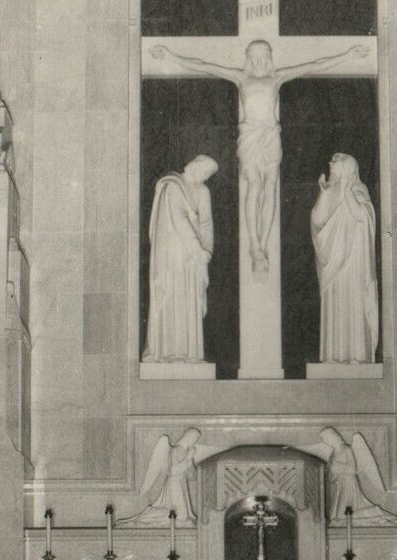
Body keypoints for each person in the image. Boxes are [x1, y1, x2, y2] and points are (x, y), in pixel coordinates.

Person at [152, 39, 366, 272]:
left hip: (271, 136)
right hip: (250, 137)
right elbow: (203, 65)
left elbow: (314, 65)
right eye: (255, 57)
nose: (259, 61)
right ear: (249, 58)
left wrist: (348, 56)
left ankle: (264, 244)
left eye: (263, 56)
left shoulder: (276, 78)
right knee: (254, 186)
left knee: (271, 187)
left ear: (269, 57)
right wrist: (170, 57)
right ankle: (254, 245)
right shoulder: (241, 78)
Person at [143, 157, 218, 363]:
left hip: (193, 259)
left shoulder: (203, 191)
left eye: (209, 175)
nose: (205, 177)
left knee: (190, 299)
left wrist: (207, 251)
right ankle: (169, 352)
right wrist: (197, 250)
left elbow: (206, 223)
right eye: (204, 172)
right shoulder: (173, 187)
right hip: (174, 254)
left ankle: (191, 353)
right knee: (173, 294)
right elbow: (179, 221)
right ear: (194, 166)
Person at [311, 153, 379, 363]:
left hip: (354, 265)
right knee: (334, 306)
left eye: (335, 166)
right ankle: (333, 356)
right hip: (333, 265)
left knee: (353, 306)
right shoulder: (328, 192)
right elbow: (317, 221)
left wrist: (346, 191)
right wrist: (324, 195)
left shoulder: (359, 190)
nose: (331, 168)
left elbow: (362, 216)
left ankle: (357, 355)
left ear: (348, 170)